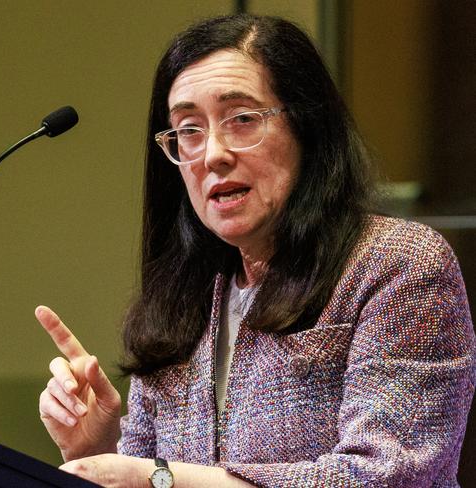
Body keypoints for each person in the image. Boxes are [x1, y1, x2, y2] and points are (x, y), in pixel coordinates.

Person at [36, 14, 475, 487]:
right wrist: (95, 452)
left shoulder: (397, 265)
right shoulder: (180, 301)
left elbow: (387, 477)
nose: (213, 154)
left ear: (308, 127)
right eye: (188, 129)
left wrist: (161, 479)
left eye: (242, 119)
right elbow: (147, 476)